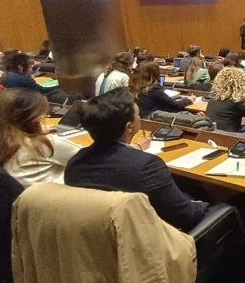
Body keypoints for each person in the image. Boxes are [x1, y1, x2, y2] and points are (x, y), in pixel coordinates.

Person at [64, 88, 208, 231]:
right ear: (129, 127)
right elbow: (186, 217)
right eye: (139, 115)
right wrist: (204, 203)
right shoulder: (147, 166)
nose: (140, 117)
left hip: (100, 239)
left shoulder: (75, 163)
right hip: (148, 242)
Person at [0, 89, 79, 186]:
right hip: (51, 199)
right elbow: (88, 158)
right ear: (30, 119)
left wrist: (34, 131)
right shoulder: (43, 145)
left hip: (19, 199)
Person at [205, 67, 245, 133]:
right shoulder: (236, 101)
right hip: (228, 137)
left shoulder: (214, 97)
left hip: (212, 133)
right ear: (241, 84)